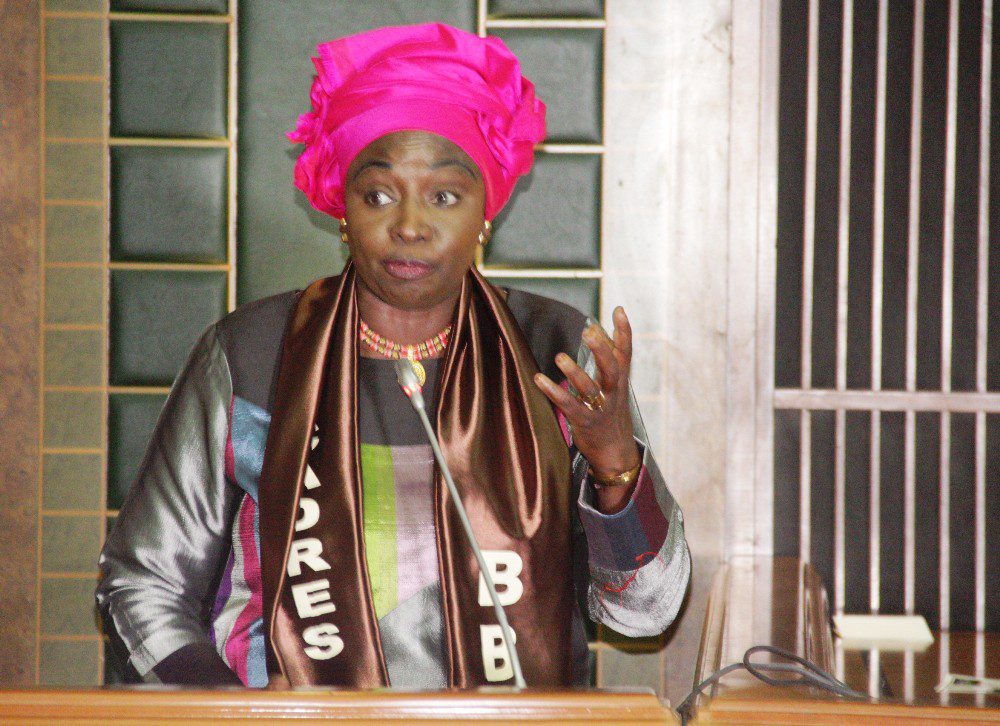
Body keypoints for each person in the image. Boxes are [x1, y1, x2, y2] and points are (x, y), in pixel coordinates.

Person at [97, 22, 689, 689]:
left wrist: (616, 467)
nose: (409, 225)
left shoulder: (554, 354)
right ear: (342, 209)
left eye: (445, 196)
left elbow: (648, 612)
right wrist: (239, 714)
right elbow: (141, 586)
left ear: (485, 211)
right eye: (378, 195)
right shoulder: (251, 357)